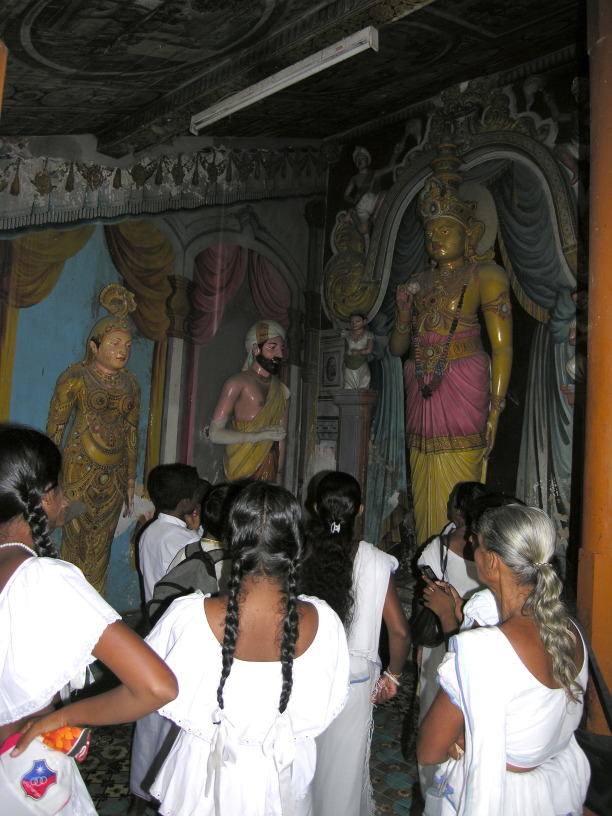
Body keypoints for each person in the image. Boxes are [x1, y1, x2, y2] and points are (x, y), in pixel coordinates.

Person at [0, 424, 177, 816]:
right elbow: (157, 686)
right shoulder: (43, 578)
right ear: (45, 497)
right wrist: (66, 716)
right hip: (25, 776)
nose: (66, 497)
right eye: (60, 486)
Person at [146, 481, 350, 816]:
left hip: (203, 779)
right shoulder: (323, 622)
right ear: (299, 547)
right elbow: (326, 702)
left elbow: (143, 685)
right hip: (283, 778)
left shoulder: (190, 617)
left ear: (230, 542)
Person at [417, 504, 589, 816]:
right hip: (553, 791)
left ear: (492, 562)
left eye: (478, 545)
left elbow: (429, 750)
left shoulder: (484, 649)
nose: (473, 550)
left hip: (502, 798)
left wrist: (466, 735)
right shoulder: (571, 631)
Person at [389, 174, 513, 545]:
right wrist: (403, 312)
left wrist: (496, 407)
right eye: (431, 232)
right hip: (421, 383)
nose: (436, 238)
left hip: (463, 382)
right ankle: (427, 552)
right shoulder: (417, 281)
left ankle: (459, 551)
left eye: (446, 230)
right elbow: (397, 348)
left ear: (470, 234)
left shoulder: (486, 275)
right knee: (423, 468)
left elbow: (503, 348)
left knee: (461, 472)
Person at [300, 471, 411, 816]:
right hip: (355, 678)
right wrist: (393, 676)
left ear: (315, 507)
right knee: (343, 772)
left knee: (299, 761)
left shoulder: (299, 554)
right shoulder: (375, 561)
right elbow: (400, 632)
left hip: (303, 671)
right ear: (360, 510)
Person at [47, 284, 141, 595]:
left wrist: (130, 481)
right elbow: (55, 430)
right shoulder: (75, 377)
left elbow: (132, 433)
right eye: (115, 343)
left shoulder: (131, 384)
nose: (122, 350)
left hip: (114, 477)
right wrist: (52, 479)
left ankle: (94, 604)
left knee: (102, 544)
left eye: (128, 345)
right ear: (94, 345)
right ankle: (67, 602)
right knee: (75, 541)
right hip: (77, 470)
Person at [130, 463, 205, 816]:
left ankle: (139, 794)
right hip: (178, 637)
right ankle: (165, 793)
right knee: (175, 721)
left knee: (150, 721)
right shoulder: (186, 542)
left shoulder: (151, 531)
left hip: (154, 631)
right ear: (187, 502)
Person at [414, 481, 487, 797]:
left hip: (443, 645)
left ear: (459, 511)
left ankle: (432, 785)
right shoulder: (493, 553)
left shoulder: (439, 547)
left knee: (435, 705)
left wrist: (419, 643)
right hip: (482, 643)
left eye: (452, 504)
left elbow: (426, 595)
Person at [209, 320, 290, 483]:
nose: (279, 355)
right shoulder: (237, 383)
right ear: (256, 349)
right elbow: (215, 434)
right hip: (241, 465)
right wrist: (256, 436)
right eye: (272, 348)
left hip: (269, 464)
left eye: (281, 349)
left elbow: (281, 436)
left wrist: (279, 473)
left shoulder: (282, 391)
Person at [137, 463, 202, 604]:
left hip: (154, 608)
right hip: (178, 612)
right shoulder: (188, 539)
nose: (198, 499)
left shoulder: (149, 531)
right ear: (185, 503)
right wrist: (194, 533)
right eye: (196, 495)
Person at [332, 311, 375, 389]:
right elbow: (336, 330)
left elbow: (369, 350)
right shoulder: (347, 333)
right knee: (348, 387)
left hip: (361, 365)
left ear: (364, 321)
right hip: (348, 365)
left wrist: (357, 352)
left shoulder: (368, 335)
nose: (354, 324)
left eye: (357, 321)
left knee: (364, 384)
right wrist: (333, 319)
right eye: (352, 321)